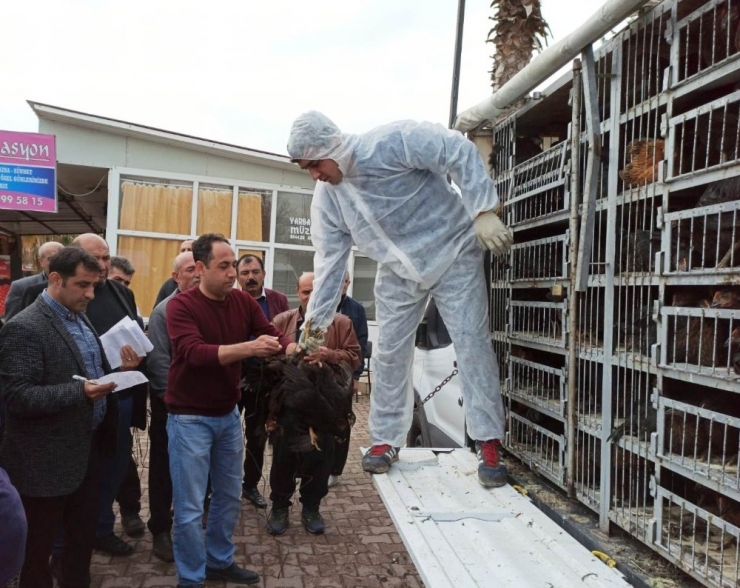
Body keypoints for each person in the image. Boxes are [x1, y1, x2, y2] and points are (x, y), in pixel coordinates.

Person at [287, 111, 514, 488]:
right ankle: (386, 440)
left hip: (453, 250)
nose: (314, 175)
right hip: (398, 269)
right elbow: (329, 261)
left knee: (471, 344)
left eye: (314, 164)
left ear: (331, 147)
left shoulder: (389, 143)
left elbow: (455, 149)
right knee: (390, 351)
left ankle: (488, 440)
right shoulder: (328, 199)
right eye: (305, 168)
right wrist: (316, 323)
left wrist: (483, 209)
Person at [165, 233, 296, 587]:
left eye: (232, 265)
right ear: (200, 268)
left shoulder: (242, 302)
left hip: (226, 416)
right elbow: (194, 353)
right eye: (223, 266)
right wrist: (250, 348)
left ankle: (219, 561)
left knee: (227, 497)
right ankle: (191, 578)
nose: (232, 273)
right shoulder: (181, 306)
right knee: (191, 509)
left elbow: (271, 333)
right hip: (189, 418)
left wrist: (293, 346)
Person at [0, 247, 118, 587]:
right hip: (43, 463)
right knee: (37, 552)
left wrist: (118, 371)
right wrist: (80, 393)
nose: (90, 294)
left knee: (80, 543)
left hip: (86, 451)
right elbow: (18, 397)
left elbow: (88, 366)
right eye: (82, 285)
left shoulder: (78, 314)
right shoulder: (24, 328)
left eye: (94, 285)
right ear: (55, 278)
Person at [69, 234, 147, 556]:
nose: (102, 266)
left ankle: (101, 528)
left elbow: (136, 331)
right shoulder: (58, 295)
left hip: (122, 395)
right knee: (83, 471)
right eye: (95, 258)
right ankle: (74, 536)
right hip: (81, 399)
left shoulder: (120, 292)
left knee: (115, 464)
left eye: (106, 258)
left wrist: (136, 355)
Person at [267, 272, 360, 536]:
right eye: (306, 292)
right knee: (283, 458)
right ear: (298, 292)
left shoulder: (341, 323)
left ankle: (311, 507)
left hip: (326, 407)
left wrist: (328, 355)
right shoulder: (282, 321)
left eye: (315, 292)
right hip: (288, 406)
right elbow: (269, 355)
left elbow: (354, 357)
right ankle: (280, 507)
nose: (310, 297)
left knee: (320, 457)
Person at [146, 250, 199, 563]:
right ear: (176, 276)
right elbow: (159, 364)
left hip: (203, 408)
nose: (195, 273)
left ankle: (188, 524)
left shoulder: (209, 308)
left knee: (195, 471)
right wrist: (179, 403)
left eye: (198, 268)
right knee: (163, 470)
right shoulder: (164, 312)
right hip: (172, 408)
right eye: (189, 269)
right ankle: (160, 529)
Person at [236, 254, 289, 508]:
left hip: (265, 382)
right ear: (237, 277)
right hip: (234, 379)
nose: (250, 277)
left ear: (264, 274)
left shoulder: (278, 300)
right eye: (245, 273)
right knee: (222, 436)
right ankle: (214, 489)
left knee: (256, 437)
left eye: (255, 272)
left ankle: (250, 485)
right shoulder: (230, 301)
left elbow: (283, 334)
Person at [331, 271, 369, 487]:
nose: (340, 285)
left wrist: (356, 376)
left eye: (343, 281)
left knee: (342, 423)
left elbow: (361, 345)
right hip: (319, 376)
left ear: (348, 283)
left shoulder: (357, 310)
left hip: (344, 375)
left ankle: (335, 469)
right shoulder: (321, 304)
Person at [4, 240, 63, 320]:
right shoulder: (21, 287)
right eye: (51, 259)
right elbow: (11, 324)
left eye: (61, 258)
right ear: (41, 261)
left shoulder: (74, 285)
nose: (57, 262)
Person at [153, 239, 194, 309]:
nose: (185, 252)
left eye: (189, 250)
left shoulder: (205, 283)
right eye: (183, 250)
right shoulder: (169, 285)